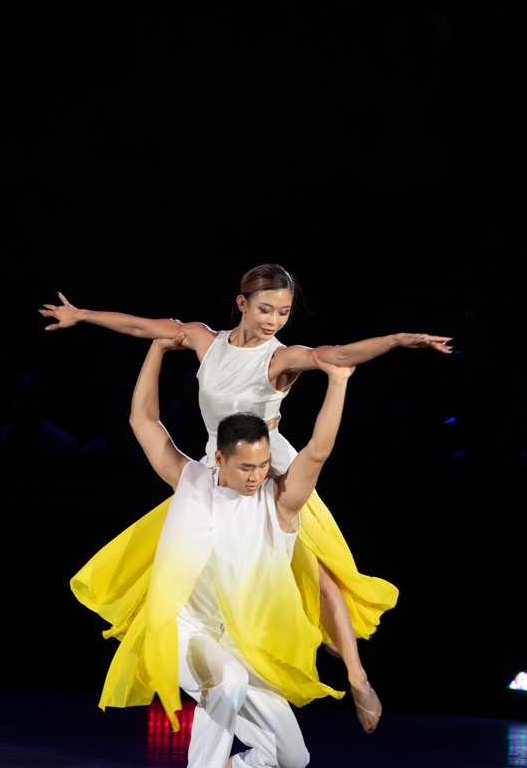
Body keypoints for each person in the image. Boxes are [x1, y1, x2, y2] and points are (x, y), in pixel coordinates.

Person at [45, 264, 451, 732]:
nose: (274, 320)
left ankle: (357, 677)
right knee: (199, 565)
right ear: (242, 303)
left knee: (318, 572)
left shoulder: (280, 359)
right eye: (265, 309)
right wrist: (82, 315)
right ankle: (214, 668)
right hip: (219, 466)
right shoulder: (205, 341)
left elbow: (338, 355)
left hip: (271, 468)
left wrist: (397, 340)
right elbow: (143, 328)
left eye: (283, 312)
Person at [101, 333, 356, 768]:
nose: (257, 475)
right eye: (245, 467)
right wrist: (156, 349)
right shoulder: (191, 481)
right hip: (183, 632)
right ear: (219, 458)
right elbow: (143, 421)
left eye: (263, 465)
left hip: (239, 643)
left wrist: (338, 383)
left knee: (292, 756)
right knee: (228, 680)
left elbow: (318, 451)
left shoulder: (279, 505)